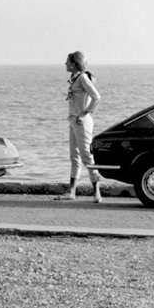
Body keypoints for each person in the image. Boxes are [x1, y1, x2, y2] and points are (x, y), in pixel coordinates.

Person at [56, 51, 102, 203]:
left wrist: (84, 113)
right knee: (74, 157)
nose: (65, 64)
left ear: (74, 63)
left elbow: (96, 97)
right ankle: (71, 191)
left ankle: (97, 192)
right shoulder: (75, 78)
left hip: (81, 121)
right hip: (73, 120)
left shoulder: (82, 77)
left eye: (67, 61)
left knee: (86, 157)